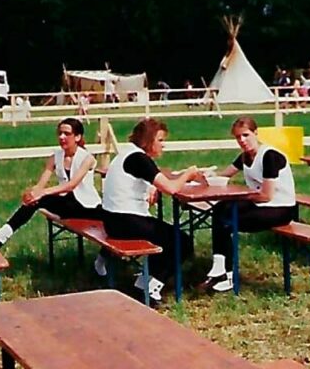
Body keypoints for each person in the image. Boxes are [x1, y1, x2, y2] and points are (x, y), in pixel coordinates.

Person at [99, 118, 202, 302]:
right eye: (160, 140)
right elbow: (171, 188)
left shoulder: (127, 154)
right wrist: (188, 174)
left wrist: (153, 187)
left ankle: (143, 282)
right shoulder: (139, 158)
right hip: (126, 222)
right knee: (183, 242)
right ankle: (151, 286)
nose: (164, 145)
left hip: (112, 219)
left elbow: (149, 179)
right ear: (148, 140)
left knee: (166, 237)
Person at [200, 116, 296, 293]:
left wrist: (240, 197)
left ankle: (225, 274)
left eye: (245, 135)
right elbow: (224, 175)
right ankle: (220, 268)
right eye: (238, 137)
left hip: (281, 209)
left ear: (256, 133)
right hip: (261, 204)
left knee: (227, 218)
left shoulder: (269, 156)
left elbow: (267, 195)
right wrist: (202, 176)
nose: (242, 141)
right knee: (220, 209)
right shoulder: (245, 157)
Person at [0, 118, 102, 248]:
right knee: (36, 200)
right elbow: (41, 183)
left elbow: (71, 185)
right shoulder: (55, 157)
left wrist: (42, 193)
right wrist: (32, 193)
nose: (62, 137)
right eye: (59, 133)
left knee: (42, 198)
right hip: (68, 205)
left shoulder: (87, 158)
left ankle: (2, 235)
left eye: (66, 134)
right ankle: (2, 234)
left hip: (87, 207)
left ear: (77, 137)